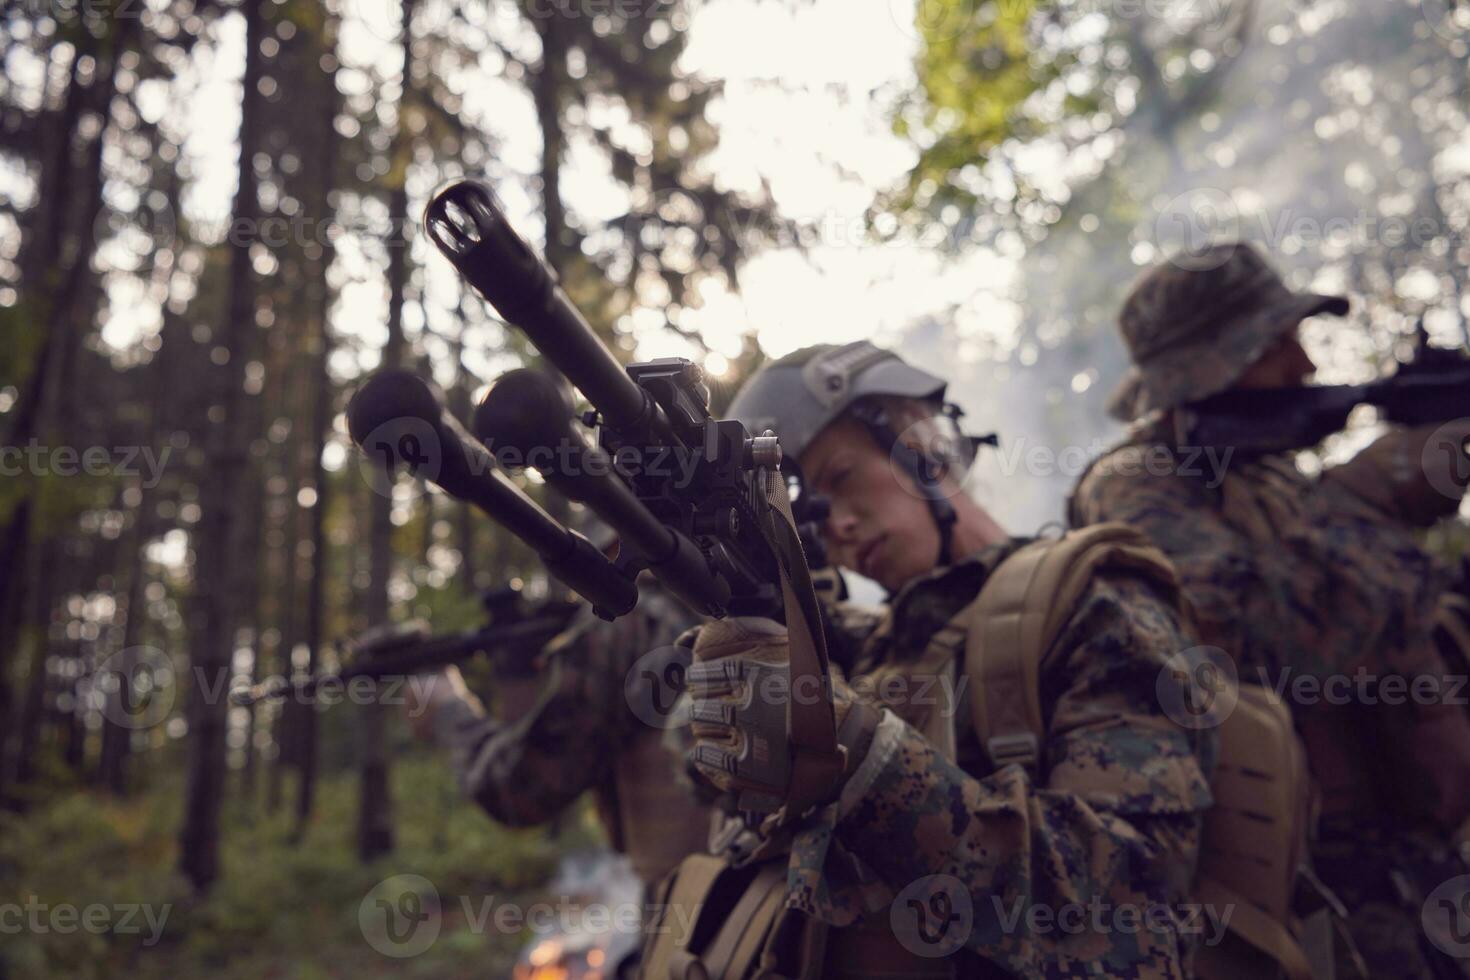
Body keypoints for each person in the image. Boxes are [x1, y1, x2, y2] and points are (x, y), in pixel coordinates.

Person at [658, 342, 1217, 978]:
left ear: (921, 446)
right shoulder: (872, 644)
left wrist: (861, 761)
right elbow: (701, 767)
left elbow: (1127, 910)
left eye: (840, 478)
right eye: (810, 511)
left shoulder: (1095, 600)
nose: (835, 526)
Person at [1069, 240, 1470, 978]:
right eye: (1278, 342)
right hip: (1317, 901)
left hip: (1415, 868)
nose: (1307, 366)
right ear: (1215, 364)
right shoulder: (1136, 486)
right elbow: (1264, 647)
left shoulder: (1267, 473)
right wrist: (1382, 505)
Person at [404, 570, 713, 894]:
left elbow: (518, 789)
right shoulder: (725, 595)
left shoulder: (629, 617)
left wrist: (447, 711)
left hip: (699, 910)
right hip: (749, 906)